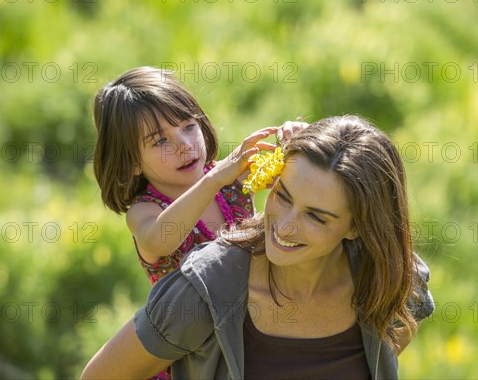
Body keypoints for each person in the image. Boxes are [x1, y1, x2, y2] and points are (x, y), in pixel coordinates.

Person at [82, 114, 435, 380]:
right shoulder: (207, 291)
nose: (284, 225)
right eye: (282, 195)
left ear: (358, 227)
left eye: (317, 217)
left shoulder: (391, 278)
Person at [93, 66, 304, 285]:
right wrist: (214, 179)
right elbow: (159, 241)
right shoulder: (145, 212)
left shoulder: (233, 179)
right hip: (191, 317)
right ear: (132, 162)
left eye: (188, 126)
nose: (184, 146)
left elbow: (301, 180)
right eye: (160, 141)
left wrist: (298, 141)